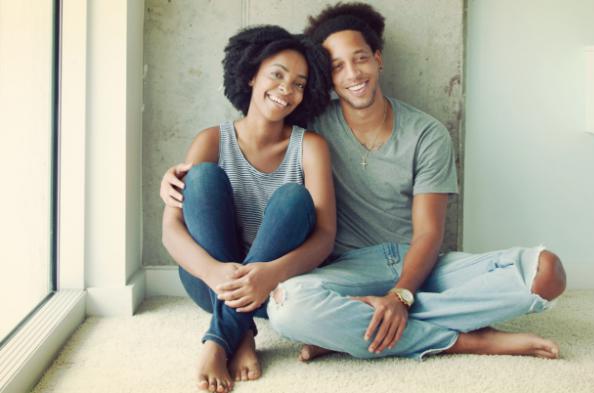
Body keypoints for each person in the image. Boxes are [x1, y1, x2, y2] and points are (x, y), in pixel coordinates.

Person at [162, 2, 566, 365]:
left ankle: (350, 329)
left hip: (415, 264)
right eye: (337, 66)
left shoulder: (426, 133)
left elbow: (429, 234)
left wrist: (401, 296)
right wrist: (177, 179)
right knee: (290, 308)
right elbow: (255, 138)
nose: (352, 74)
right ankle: (462, 341)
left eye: (360, 59)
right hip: (344, 270)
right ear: (328, 79)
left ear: (378, 60)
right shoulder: (311, 126)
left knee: (547, 273)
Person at [160, 25, 335, 393]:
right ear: (252, 75)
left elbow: (324, 237)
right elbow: (171, 230)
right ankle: (241, 334)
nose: (287, 89)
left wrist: (269, 274)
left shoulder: (311, 146)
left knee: (294, 198)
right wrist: (214, 272)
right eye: (277, 75)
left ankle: (218, 339)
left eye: (300, 83)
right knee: (202, 177)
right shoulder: (211, 139)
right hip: (209, 283)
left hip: (276, 285)